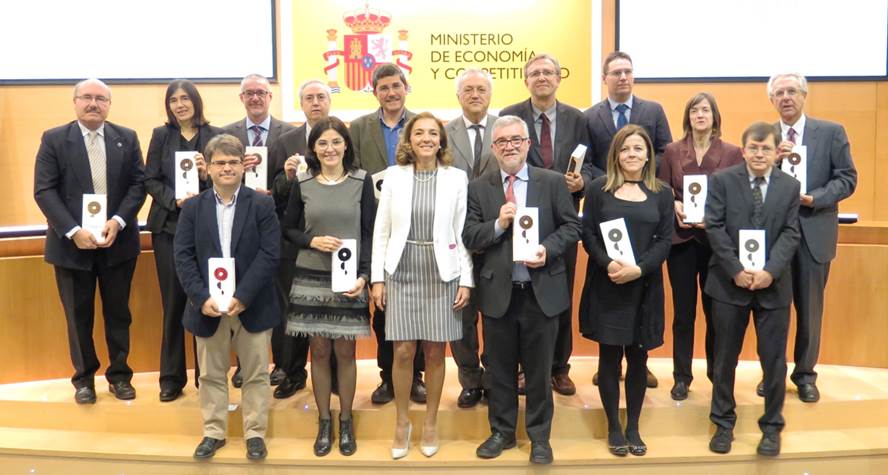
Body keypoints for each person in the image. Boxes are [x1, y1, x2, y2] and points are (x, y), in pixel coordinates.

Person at [464, 115, 581, 465]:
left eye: (516, 140)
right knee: (498, 370)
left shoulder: (553, 182)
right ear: (494, 148)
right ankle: (501, 432)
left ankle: (540, 437)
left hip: (540, 292)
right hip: (498, 294)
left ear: (528, 144)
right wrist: (498, 224)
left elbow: (572, 226)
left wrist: (548, 249)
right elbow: (470, 235)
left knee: (539, 370)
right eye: (502, 141)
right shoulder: (479, 187)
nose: (509, 146)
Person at [34, 78, 146, 404]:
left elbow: (138, 185)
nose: (93, 103)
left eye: (100, 98)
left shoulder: (126, 138)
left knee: (118, 314)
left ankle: (120, 375)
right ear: (75, 101)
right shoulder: (54, 139)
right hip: (70, 247)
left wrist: (118, 221)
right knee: (77, 315)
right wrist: (73, 231)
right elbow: (44, 190)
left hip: (118, 242)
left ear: (109, 104)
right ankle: (84, 380)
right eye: (87, 97)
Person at [370, 112, 473, 459]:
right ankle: (402, 421)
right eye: (419, 133)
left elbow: (461, 234)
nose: (426, 138)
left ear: (441, 140)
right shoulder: (394, 177)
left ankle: (429, 421)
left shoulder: (456, 178)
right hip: (402, 269)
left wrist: (466, 279)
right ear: (409, 140)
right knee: (402, 351)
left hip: (442, 270)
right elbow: (381, 230)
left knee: (434, 351)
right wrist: (378, 278)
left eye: (433, 133)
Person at [173, 134, 280, 461]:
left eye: (233, 162)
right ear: (208, 168)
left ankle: (255, 433)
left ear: (243, 166)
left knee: (257, 373)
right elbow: (183, 255)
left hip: (252, 304)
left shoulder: (262, 204)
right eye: (220, 162)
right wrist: (200, 296)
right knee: (210, 374)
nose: (227, 168)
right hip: (207, 307)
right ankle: (214, 431)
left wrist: (244, 296)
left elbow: (270, 253)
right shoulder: (192, 207)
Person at [499, 53, 594, 396]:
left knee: (559, 295)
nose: (541, 77)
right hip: (518, 219)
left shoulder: (577, 119)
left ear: (558, 78)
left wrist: (581, 181)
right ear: (526, 80)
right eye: (534, 72)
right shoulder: (510, 116)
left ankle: (559, 367)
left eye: (548, 72)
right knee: (519, 297)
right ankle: (524, 367)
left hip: (561, 221)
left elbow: (594, 166)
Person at [705, 122, 801, 456]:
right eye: (754, 147)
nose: (760, 154)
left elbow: (791, 233)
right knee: (724, 359)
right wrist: (735, 269)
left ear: (777, 153)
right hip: (729, 284)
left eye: (767, 148)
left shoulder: (790, 187)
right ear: (743, 150)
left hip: (772, 287)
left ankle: (772, 428)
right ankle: (723, 424)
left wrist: (770, 272)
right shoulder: (721, 181)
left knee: (773, 361)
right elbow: (714, 227)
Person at [282, 117, 375, 457]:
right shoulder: (303, 182)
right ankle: (324, 421)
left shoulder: (361, 181)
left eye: (336, 142)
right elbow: (288, 228)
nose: (330, 148)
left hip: (349, 279)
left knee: (345, 352)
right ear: (314, 149)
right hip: (312, 277)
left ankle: (346, 421)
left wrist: (364, 275)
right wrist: (312, 240)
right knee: (318, 351)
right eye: (323, 143)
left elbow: (369, 231)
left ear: (346, 145)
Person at [578, 124, 672, 457]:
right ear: (615, 154)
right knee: (608, 359)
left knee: (638, 358)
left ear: (648, 154)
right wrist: (609, 265)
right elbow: (587, 234)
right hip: (608, 284)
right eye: (625, 149)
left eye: (638, 148)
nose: (631, 154)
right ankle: (613, 427)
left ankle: (632, 425)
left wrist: (640, 268)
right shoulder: (599, 189)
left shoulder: (662, 193)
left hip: (644, 286)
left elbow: (665, 240)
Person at [767, 73, 857, 403]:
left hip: (814, 231)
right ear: (772, 100)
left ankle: (805, 374)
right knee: (773, 310)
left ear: (804, 95)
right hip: (775, 237)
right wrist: (770, 163)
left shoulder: (831, 133)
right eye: (779, 93)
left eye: (792, 91)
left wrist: (815, 197)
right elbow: (747, 181)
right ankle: (772, 373)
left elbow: (847, 179)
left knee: (810, 309)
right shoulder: (764, 136)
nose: (786, 97)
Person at [585, 51, 671, 389]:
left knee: (640, 335)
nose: (623, 77)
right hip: (609, 199)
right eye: (615, 72)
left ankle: (640, 365)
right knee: (610, 339)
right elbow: (589, 157)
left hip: (644, 211)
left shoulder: (653, 111)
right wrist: (609, 182)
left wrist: (643, 180)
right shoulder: (591, 116)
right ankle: (610, 364)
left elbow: (665, 150)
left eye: (628, 71)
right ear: (604, 77)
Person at [657, 92, 743, 401]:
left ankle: (717, 372)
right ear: (687, 117)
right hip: (681, 241)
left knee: (716, 312)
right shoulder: (671, 151)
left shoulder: (733, 153)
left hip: (715, 243)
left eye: (706, 110)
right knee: (683, 314)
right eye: (695, 110)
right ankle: (682, 376)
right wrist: (676, 204)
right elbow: (662, 188)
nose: (700, 115)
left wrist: (715, 216)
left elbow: (737, 195)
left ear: (715, 116)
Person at [350, 63, 425, 405]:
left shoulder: (422, 125)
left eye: (396, 86)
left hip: (418, 225)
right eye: (384, 88)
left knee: (420, 306)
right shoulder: (358, 127)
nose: (391, 93)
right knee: (383, 306)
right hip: (376, 224)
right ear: (375, 92)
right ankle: (387, 377)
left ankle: (418, 377)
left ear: (406, 87)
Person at [145, 79, 222, 402]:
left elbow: (228, 179)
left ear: (196, 102)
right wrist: (173, 198)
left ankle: (208, 375)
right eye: (174, 100)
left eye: (185, 99)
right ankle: (171, 377)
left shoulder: (214, 135)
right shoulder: (161, 136)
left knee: (204, 301)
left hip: (206, 228)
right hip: (169, 228)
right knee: (174, 301)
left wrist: (207, 177)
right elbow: (149, 178)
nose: (180, 105)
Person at [223, 73, 295, 388]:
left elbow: (291, 184)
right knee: (242, 295)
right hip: (238, 228)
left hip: (278, 226)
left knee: (280, 298)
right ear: (242, 98)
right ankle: (245, 365)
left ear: (270, 96)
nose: (255, 98)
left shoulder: (289, 135)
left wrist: (276, 190)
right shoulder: (226, 135)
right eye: (249, 93)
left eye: (261, 92)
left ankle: (282, 364)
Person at [266, 79, 333, 400]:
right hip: (292, 241)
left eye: (321, 96)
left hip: (333, 240)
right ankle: (292, 373)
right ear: (301, 103)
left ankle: (332, 375)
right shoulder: (285, 139)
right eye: (309, 98)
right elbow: (273, 190)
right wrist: (289, 177)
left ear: (329, 101)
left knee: (328, 309)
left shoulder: (340, 136)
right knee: (292, 311)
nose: (316, 102)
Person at [444, 68, 498, 408]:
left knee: (495, 313)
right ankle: (469, 379)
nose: (475, 94)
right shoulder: (443, 132)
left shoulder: (505, 129)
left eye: (481, 89)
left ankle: (494, 378)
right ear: (459, 96)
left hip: (496, 235)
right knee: (461, 315)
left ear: (490, 95)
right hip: (454, 237)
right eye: (468, 90)